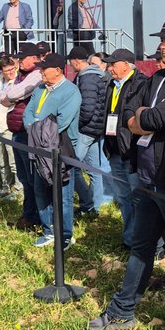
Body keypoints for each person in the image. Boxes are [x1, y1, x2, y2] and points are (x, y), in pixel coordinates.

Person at [88, 16, 165, 330]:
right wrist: (141, 119)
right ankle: (122, 311)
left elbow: (163, 117)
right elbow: (132, 112)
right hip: (145, 176)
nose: (162, 46)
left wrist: (141, 119)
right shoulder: (157, 77)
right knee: (141, 246)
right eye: (161, 40)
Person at [23, 52, 81, 248]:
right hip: (38, 147)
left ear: (57, 70)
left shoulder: (71, 92)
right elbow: (28, 113)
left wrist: (36, 128)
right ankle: (49, 231)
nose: (40, 72)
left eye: (44, 68)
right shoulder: (40, 89)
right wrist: (34, 127)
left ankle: (65, 234)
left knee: (63, 194)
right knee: (40, 190)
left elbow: (61, 122)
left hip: (60, 149)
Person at [101, 48, 147, 248]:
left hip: (132, 151)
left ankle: (147, 242)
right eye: (109, 64)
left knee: (140, 199)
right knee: (123, 198)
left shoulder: (141, 84)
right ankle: (130, 239)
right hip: (114, 149)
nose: (110, 68)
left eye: (113, 64)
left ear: (126, 66)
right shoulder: (112, 84)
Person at [2, 43, 44, 229]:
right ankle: (28, 216)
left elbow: (14, 92)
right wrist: (11, 94)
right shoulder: (21, 75)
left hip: (29, 134)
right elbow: (4, 97)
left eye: (22, 58)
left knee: (33, 180)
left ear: (34, 58)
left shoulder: (36, 74)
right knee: (25, 179)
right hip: (17, 132)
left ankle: (35, 218)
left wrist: (11, 94)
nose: (19, 62)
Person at [68, 46, 107, 215]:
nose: (70, 66)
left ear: (76, 61)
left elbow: (88, 107)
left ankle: (87, 203)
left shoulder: (87, 78)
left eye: (70, 62)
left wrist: (77, 123)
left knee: (72, 166)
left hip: (85, 129)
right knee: (94, 170)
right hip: (94, 128)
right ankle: (95, 207)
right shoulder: (92, 75)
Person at [0, 54, 20, 200]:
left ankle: (18, 190)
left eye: (12, 69)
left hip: (9, 125)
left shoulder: (17, 81)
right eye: (7, 70)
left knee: (13, 159)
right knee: (2, 160)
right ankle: (5, 187)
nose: (11, 72)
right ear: (1, 71)